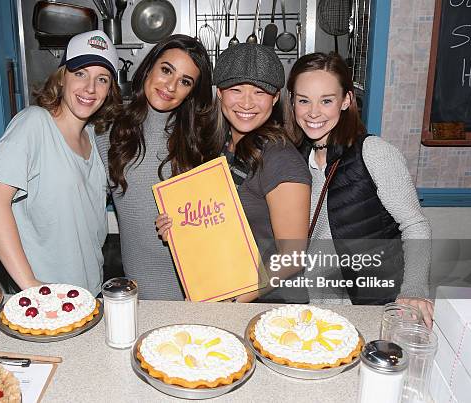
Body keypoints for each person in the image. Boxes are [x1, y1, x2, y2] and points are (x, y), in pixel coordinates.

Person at [285, 52, 433, 326]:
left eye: (326, 100)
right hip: (313, 309)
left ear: (346, 100)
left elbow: (415, 224)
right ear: (292, 102)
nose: (313, 112)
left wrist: (413, 291)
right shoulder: (294, 158)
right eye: (304, 100)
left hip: (370, 308)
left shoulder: (374, 152)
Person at [157, 43, 312, 303]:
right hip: (224, 296)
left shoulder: (282, 160)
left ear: (275, 98)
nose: (247, 103)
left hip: (269, 308)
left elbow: (292, 258)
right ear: (220, 93)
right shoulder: (222, 148)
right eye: (236, 90)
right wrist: (179, 228)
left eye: (260, 92)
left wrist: (232, 297)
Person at [0, 30, 121, 296]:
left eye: (101, 79)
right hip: (43, 294)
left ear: (109, 90)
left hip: (89, 290)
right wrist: (31, 286)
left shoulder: (94, 137)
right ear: (62, 77)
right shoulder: (33, 124)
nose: (90, 88)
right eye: (80, 73)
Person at [95, 34, 213, 300]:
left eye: (185, 81)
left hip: (198, 289)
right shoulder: (107, 132)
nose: (170, 86)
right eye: (166, 70)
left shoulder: (202, 141)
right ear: (148, 67)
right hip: (137, 291)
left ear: (192, 92)